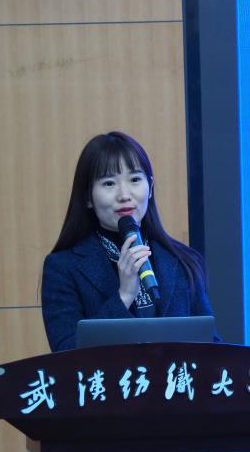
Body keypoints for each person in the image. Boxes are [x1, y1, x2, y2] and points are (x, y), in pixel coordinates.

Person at [41, 131, 215, 352]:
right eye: (109, 183)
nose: (124, 195)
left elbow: (211, 347)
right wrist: (123, 295)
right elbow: (65, 354)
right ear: (87, 198)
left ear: (150, 187)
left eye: (134, 180)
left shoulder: (184, 261)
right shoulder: (63, 268)